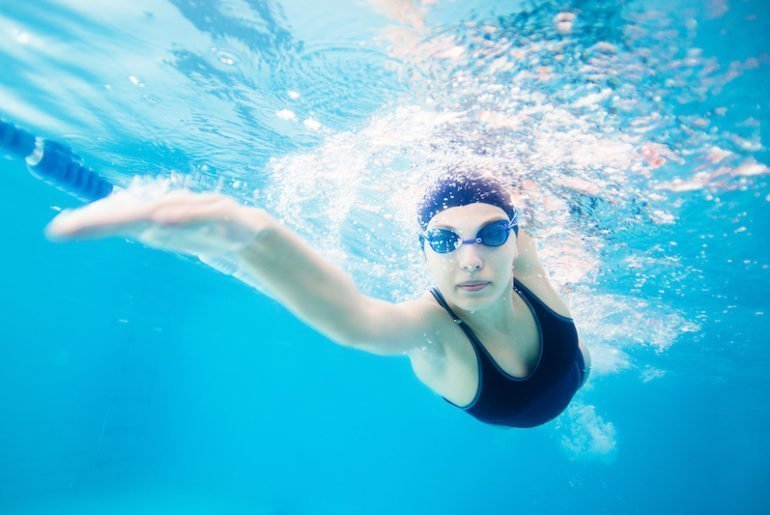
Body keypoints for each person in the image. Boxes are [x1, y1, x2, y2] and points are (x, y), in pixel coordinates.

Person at [46, 170, 591, 428]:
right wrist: (252, 235)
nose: (471, 259)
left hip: (577, 368)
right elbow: (358, 320)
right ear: (423, 251)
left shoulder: (528, 265)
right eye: (445, 241)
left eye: (492, 234)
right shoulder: (434, 331)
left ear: (515, 239)